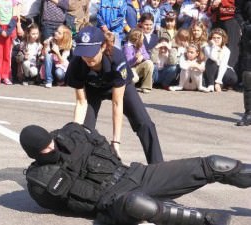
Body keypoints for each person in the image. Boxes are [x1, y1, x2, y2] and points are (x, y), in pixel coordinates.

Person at [20, 122, 251, 225]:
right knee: (138, 204)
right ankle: (208, 221)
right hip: (112, 201)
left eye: (51, 143)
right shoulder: (39, 181)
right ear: (34, 154)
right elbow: (64, 207)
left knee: (214, 164)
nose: (51, 149)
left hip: (135, 173)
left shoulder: (72, 133)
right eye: (45, 150)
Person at [65, 26, 163, 164]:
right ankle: (81, 172)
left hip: (118, 87)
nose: (87, 57)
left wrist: (115, 142)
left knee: (145, 124)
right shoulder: (76, 64)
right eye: (84, 53)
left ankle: (157, 167)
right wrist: (76, 134)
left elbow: (117, 103)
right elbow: (81, 103)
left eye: (91, 52)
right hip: (92, 89)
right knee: (84, 132)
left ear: (103, 46)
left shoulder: (117, 58)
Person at [0, 0, 19, 85]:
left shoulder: (13, 1)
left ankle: (6, 76)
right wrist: (0, 30)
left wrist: (8, 31)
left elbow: (15, 18)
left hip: (9, 30)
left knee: (7, 55)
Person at [203, 28, 238, 92]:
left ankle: (219, 84)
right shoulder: (207, 47)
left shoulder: (226, 50)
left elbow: (223, 65)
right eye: (214, 38)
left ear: (223, 39)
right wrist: (214, 46)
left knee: (233, 77)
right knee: (211, 62)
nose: (216, 39)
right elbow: (213, 58)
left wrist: (218, 81)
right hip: (209, 70)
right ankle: (211, 84)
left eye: (218, 38)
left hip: (220, 69)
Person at [123, 28, 154, 93]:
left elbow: (147, 56)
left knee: (149, 63)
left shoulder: (141, 45)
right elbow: (128, 63)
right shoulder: (127, 47)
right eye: (142, 36)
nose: (143, 38)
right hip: (130, 68)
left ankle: (146, 86)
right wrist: (135, 58)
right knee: (134, 78)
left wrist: (142, 57)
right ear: (137, 38)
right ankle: (128, 88)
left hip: (138, 66)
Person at [236, 0, 251, 126]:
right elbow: (238, 11)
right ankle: (249, 114)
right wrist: (244, 25)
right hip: (249, 36)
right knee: (248, 77)